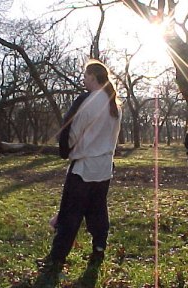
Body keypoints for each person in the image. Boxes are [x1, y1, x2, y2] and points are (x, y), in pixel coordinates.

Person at [41, 60, 122, 277]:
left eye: (86, 76)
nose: (83, 80)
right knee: (98, 211)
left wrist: (66, 147)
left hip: (84, 168)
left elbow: (73, 133)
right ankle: (99, 248)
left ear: (94, 77)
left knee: (70, 215)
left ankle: (57, 259)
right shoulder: (114, 103)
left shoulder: (90, 102)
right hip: (104, 168)